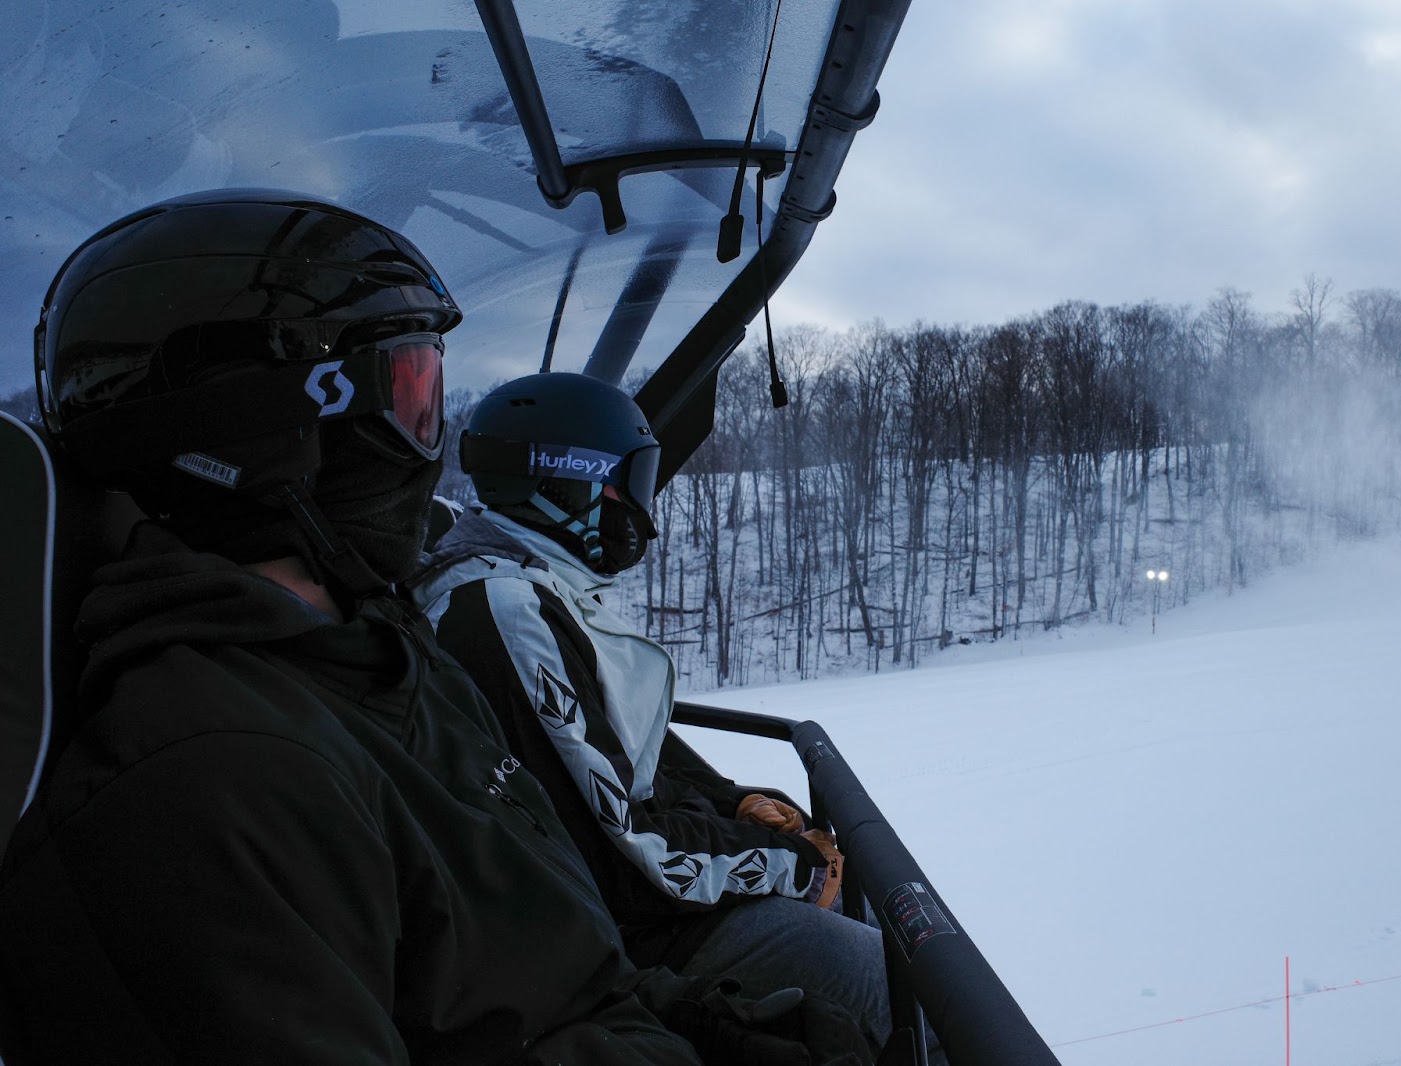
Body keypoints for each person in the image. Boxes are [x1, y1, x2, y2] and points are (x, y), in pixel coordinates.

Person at [0, 189, 872, 1066]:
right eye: (413, 399)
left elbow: (550, 954)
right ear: (274, 429)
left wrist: (710, 1030)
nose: (431, 445)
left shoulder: (381, 655)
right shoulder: (213, 778)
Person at [412, 372, 927, 1059]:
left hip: (618, 912)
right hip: (613, 941)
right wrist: (792, 864)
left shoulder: (529, 585)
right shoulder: (506, 611)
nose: (641, 514)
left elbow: (616, 770)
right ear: (568, 481)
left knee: (887, 950)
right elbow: (630, 853)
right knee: (916, 994)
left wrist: (733, 804)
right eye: (629, 485)